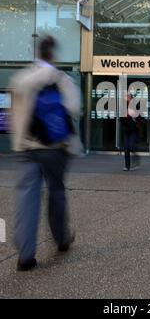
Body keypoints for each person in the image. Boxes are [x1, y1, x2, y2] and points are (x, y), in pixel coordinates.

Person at [10, 36, 81, 272]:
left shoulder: (21, 79)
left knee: (26, 198)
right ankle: (61, 239)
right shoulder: (62, 80)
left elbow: (16, 116)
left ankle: (25, 254)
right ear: (53, 54)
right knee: (57, 193)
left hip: (27, 149)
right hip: (54, 149)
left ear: (37, 52)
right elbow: (74, 110)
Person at [121, 94, 140, 172]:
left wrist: (135, 118)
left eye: (129, 97)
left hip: (133, 130)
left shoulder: (136, 106)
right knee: (126, 149)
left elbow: (140, 117)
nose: (127, 99)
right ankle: (127, 166)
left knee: (131, 146)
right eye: (127, 98)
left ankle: (136, 160)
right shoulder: (124, 107)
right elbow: (122, 119)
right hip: (126, 130)